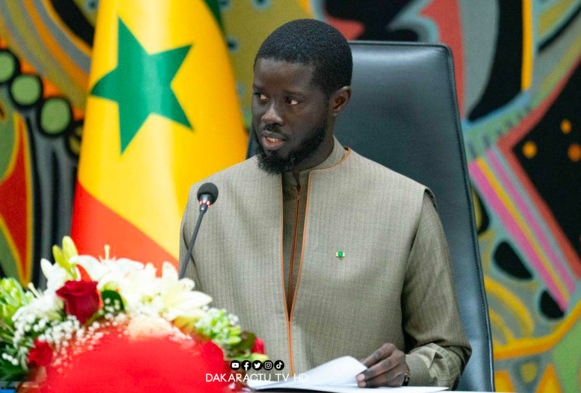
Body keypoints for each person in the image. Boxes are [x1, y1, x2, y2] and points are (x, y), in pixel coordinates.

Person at [180, 19, 471, 389]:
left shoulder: (406, 207)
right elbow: (184, 340)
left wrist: (409, 370)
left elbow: (447, 350)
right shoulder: (210, 201)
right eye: (261, 97)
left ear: (338, 102)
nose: (270, 115)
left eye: (291, 101)